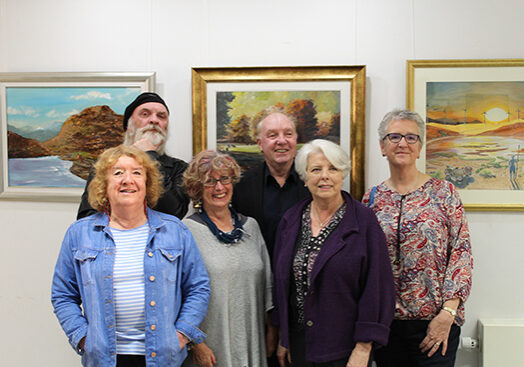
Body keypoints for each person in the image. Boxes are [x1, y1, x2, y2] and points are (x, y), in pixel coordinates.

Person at [52, 145, 210, 367]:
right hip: (105, 359)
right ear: (104, 185)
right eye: (118, 173)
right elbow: (63, 294)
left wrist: (182, 334)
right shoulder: (79, 234)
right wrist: (83, 338)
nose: (128, 179)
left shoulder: (175, 231)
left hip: (164, 357)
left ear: (147, 183)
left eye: (137, 172)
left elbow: (198, 287)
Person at [362, 109, 473, 367]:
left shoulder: (444, 192)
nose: (403, 143)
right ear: (382, 146)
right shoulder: (371, 198)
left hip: (436, 323)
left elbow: (461, 252)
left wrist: (448, 313)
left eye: (411, 138)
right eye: (395, 137)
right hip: (387, 326)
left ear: (420, 147)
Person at [272, 139, 395, 367]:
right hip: (300, 347)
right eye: (316, 169)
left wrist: (364, 347)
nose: (324, 176)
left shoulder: (364, 221)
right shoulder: (290, 220)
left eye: (333, 168)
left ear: (343, 174)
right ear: (305, 177)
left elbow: (377, 287)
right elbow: (282, 283)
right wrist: (284, 337)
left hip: (346, 350)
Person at [181, 150, 273, 367]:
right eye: (209, 181)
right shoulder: (186, 231)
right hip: (209, 347)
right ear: (197, 188)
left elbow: (268, 287)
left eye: (224, 179)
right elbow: (178, 296)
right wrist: (197, 344)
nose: (219, 187)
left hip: (252, 340)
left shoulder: (251, 227)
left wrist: (272, 333)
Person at [77, 92, 190, 220]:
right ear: (129, 126)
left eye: (161, 116)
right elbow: (86, 215)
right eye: (145, 114)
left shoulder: (179, 168)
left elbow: (174, 213)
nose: (154, 120)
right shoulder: (105, 164)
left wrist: (150, 156)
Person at [232, 106, 311, 259]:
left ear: (295, 140)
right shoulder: (241, 186)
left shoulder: (313, 183)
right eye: (273, 135)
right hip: (259, 276)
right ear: (260, 144)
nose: (282, 141)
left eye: (288, 134)